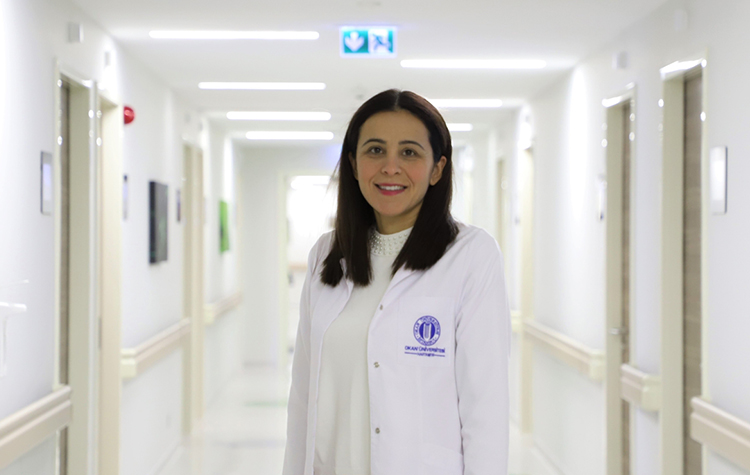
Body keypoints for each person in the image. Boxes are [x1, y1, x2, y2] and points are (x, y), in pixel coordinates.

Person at [282, 89, 510, 475]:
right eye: (375, 150)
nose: (390, 167)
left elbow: (485, 409)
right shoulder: (327, 253)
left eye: (409, 152)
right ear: (353, 164)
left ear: (437, 168)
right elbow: (303, 397)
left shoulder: (471, 255)